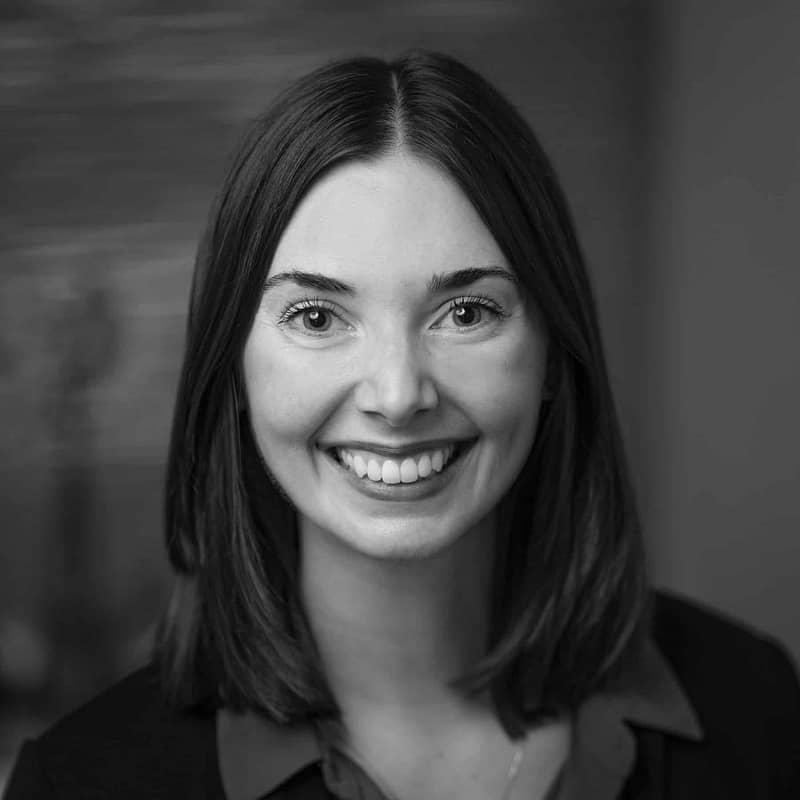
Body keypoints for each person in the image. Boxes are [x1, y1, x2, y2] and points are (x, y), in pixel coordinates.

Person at [4, 50, 799, 800]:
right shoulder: (81, 784)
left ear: (554, 352)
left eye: (467, 311)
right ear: (234, 369)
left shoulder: (753, 706)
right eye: (316, 316)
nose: (396, 392)